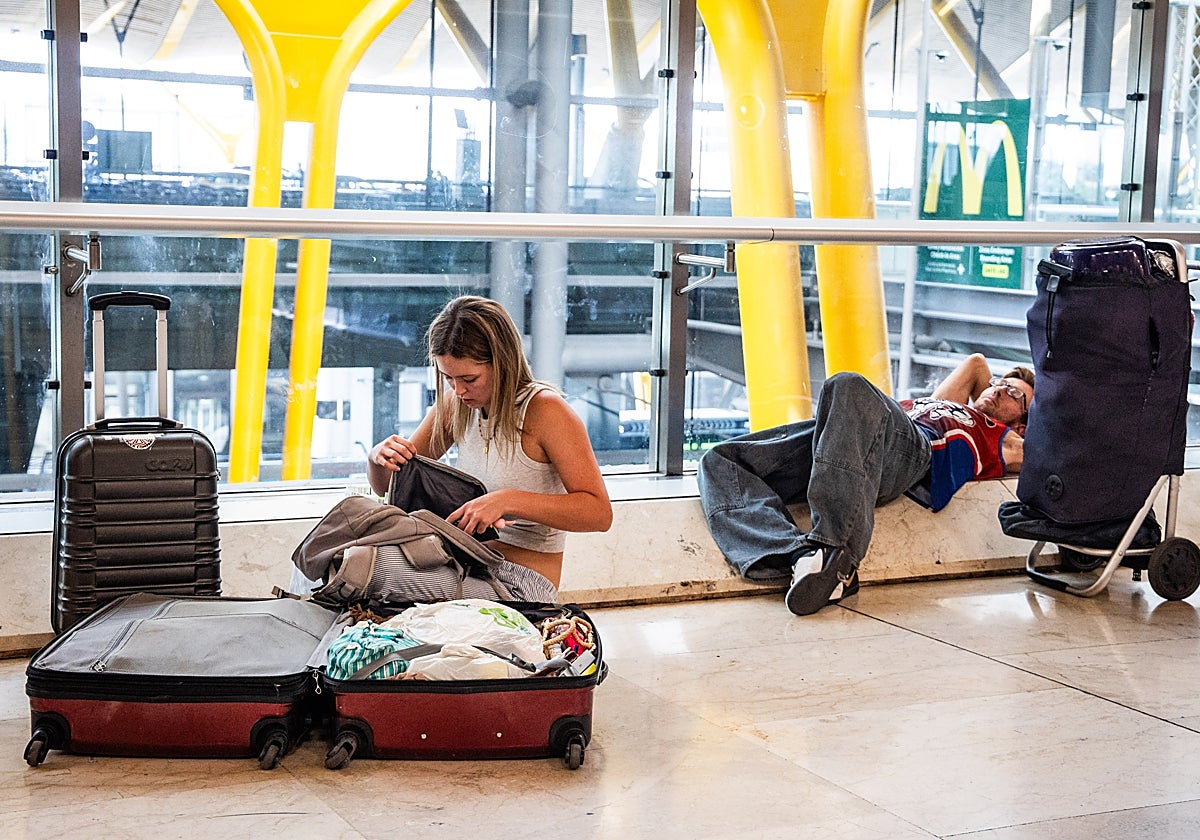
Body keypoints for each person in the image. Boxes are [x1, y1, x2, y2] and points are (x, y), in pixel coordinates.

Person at [697, 353, 1034, 617]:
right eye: (998, 383)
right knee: (722, 461)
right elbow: (976, 364)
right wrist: (1003, 387)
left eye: (1014, 394)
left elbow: (1047, 453)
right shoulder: (949, 404)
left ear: (1022, 424)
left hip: (911, 453)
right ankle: (800, 557)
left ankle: (836, 553)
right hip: (856, 437)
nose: (999, 389)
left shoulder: (1002, 439)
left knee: (847, 385)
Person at [367, 295, 612, 590]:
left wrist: (509, 500)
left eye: (470, 378)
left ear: (503, 363)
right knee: (350, 557)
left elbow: (598, 513)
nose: (458, 390)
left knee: (372, 572)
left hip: (521, 580)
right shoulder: (455, 405)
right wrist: (377, 458)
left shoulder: (547, 411)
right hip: (461, 561)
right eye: (448, 378)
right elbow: (389, 485)